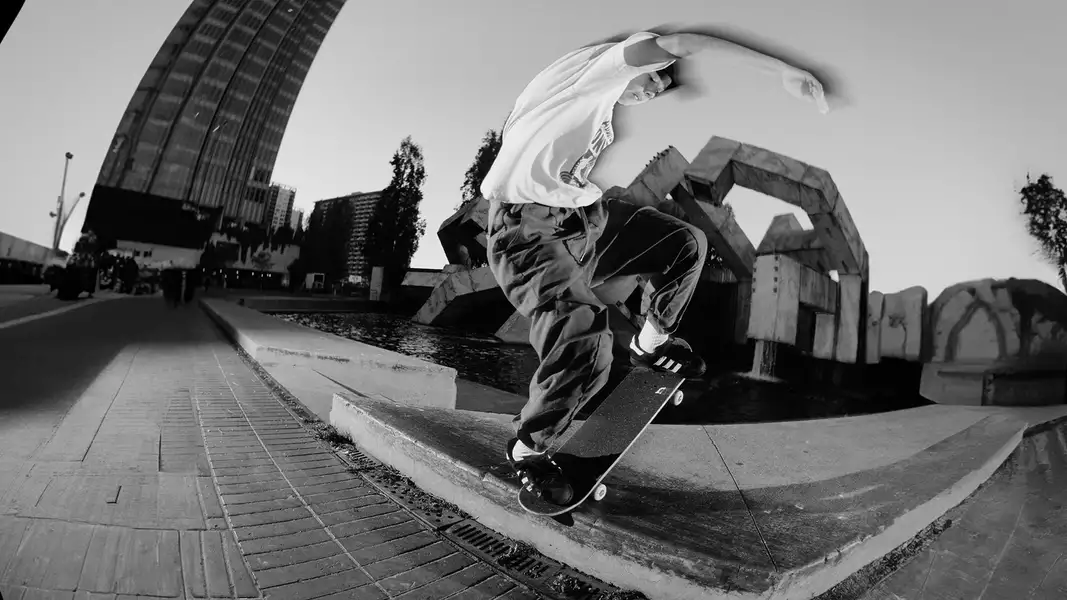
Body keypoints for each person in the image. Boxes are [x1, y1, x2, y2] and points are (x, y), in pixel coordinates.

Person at [480, 29, 829, 505]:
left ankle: (651, 342)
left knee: (684, 243)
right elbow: (684, 42)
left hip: (582, 224)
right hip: (528, 235)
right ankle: (527, 449)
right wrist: (782, 69)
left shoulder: (590, 102)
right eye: (654, 83)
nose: (650, 93)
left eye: (659, 89)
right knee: (587, 348)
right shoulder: (597, 69)